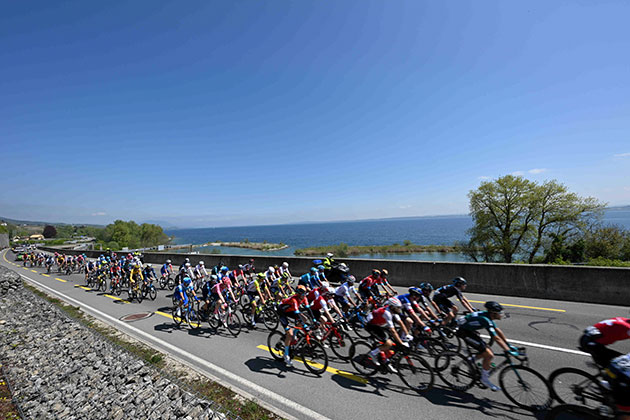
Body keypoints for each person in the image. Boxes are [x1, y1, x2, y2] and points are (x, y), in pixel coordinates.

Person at [456, 301, 518, 391]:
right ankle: (484, 379)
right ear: (493, 313)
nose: (501, 314)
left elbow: (497, 330)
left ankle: (470, 360)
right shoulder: (485, 319)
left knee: (486, 351)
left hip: (469, 330)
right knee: (489, 355)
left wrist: (508, 345)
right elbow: (496, 338)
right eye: (499, 313)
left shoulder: (488, 316)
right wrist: (507, 350)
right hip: (464, 332)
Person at [579, 317, 630, 417]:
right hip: (592, 344)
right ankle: (604, 388)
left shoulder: (624, 320)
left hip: (589, 338)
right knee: (616, 366)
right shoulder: (627, 327)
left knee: (619, 362)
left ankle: (608, 384)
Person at [365, 297, 411, 373]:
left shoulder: (394, 311)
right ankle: (372, 354)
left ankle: (386, 360)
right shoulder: (387, 313)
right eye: (398, 308)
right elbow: (393, 331)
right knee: (388, 343)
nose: (399, 309)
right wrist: (401, 343)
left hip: (381, 324)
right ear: (392, 307)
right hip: (371, 325)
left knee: (392, 341)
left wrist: (407, 335)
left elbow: (401, 323)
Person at [276, 285, 312, 367]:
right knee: (290, 333)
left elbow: (308, 309)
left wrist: (314, 320)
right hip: (282, 312)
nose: (304, 295)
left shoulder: (304, 298)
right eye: (302, 294)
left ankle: (295, 334)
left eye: (305, 293)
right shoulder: (294, 299)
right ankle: (286, 355)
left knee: (305, 318)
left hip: (290, 311)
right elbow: (296, 312)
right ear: (298, 294)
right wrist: (304, 326)